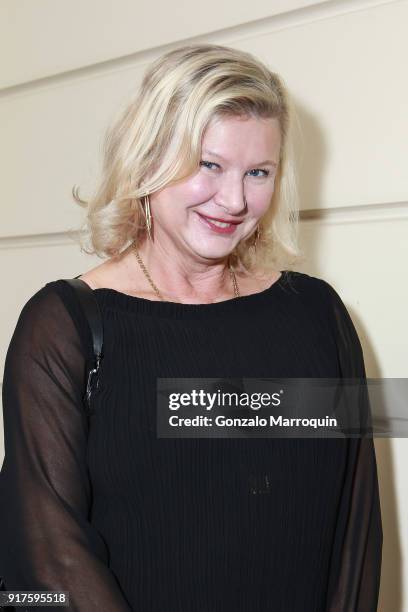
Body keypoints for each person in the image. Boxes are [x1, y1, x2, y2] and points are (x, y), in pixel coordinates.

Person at [0, 44, 382, 611]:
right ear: (148, 158)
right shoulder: (67, 327)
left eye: (258, 172)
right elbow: (47, 556)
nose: (233, 200)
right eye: (209, 165)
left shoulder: (318, 314)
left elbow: (355, 528)